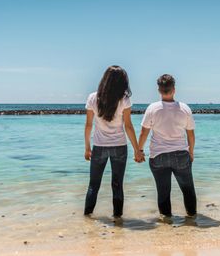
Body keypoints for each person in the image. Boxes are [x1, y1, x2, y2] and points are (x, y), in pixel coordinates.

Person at [84, 65, 143, 217]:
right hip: (119, 147)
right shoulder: (124, 99)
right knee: (117, 185)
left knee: (93, 185)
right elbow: (128, 126)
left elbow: (89, 125)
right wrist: (137, 149)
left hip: (99, 147)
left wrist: (87, 147)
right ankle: (118, 219)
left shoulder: (92, 98)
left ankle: (87, 217)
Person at [138, 74, 197, 218]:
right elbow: (190, 135)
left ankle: (166, 223)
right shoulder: (184, 108)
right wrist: (191, 152)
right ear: (174, 90)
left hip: (159, 156)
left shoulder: (152, 108)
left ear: (159, 90)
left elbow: (144, 132)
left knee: (163, 191)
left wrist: (139, 150)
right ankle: (192, 218)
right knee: (188, 189)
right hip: (181, 154)